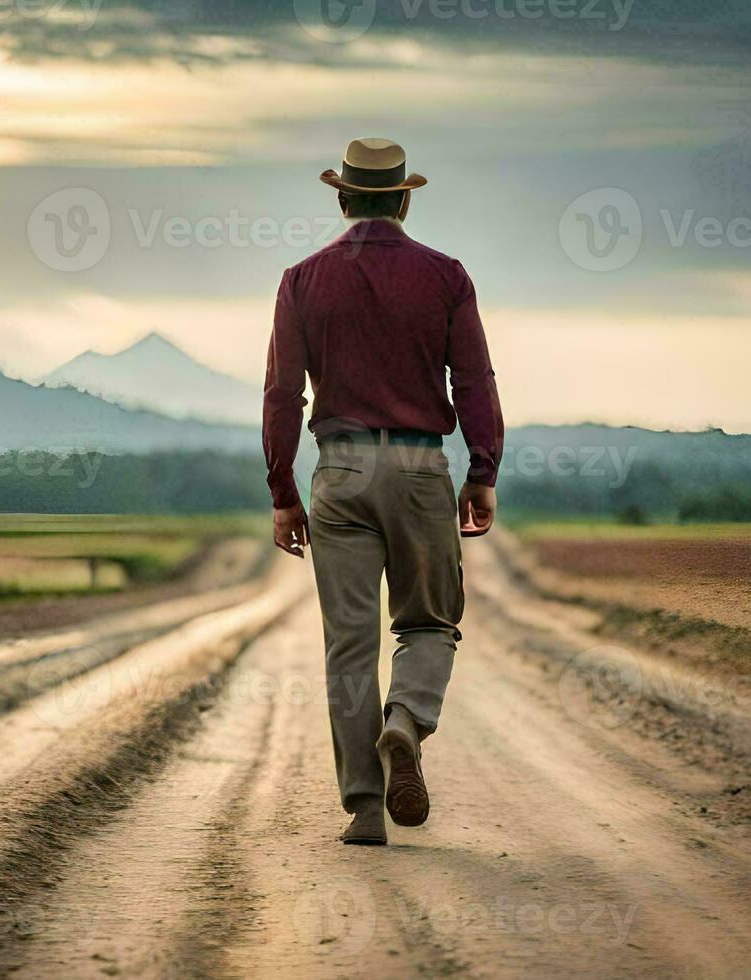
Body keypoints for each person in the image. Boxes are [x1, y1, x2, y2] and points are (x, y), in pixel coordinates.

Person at [262, 138, 504, 845]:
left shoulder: (301, 279)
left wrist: (283, 490)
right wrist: (482, 471)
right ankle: (405, 722)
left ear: (341, 198)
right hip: (421, 467)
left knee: (348, 645)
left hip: (339, 471)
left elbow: (283, 393)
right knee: (429, 624)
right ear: (403, 199)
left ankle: (366, 810)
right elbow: (475, 381)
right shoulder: (447, 276)